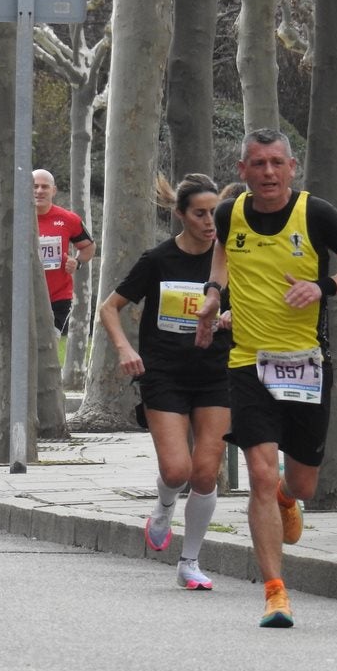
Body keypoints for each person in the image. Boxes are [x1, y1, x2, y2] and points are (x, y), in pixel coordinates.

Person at [195, 127, 337, 628]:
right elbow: (223, 253)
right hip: (248, 362)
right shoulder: (230, 213)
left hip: (307, 364)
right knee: (258, 472)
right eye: (258, 164)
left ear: (291, 168)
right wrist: (213, 294)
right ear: (243, 171)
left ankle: (287, 497)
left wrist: (323, 287)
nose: (268, 172)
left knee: (303, 484)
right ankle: (276, 593)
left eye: (277, 163)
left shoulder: (316, 214)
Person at [99, 174, 231, 591]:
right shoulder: (158, 260)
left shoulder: (228, 262)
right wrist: (125, 350)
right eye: (200, 213)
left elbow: (257, 308)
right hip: (165, 375)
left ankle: (189, 562)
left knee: (206, 474)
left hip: (216, 376)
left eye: (215, 213)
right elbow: (109, 308)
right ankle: (164, 504)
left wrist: (229, 317)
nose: (210, 222)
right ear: (180, 214)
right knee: (177, 471)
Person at [33, 168, 96, 334]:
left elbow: (89, 246)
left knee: (47, 346)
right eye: (34, 186)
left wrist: (77, 262)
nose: (39, 191)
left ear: (53, 191)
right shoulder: (15, 219)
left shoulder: (68, 219)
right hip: (23, 295)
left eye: (45, 187)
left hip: (57, 298)